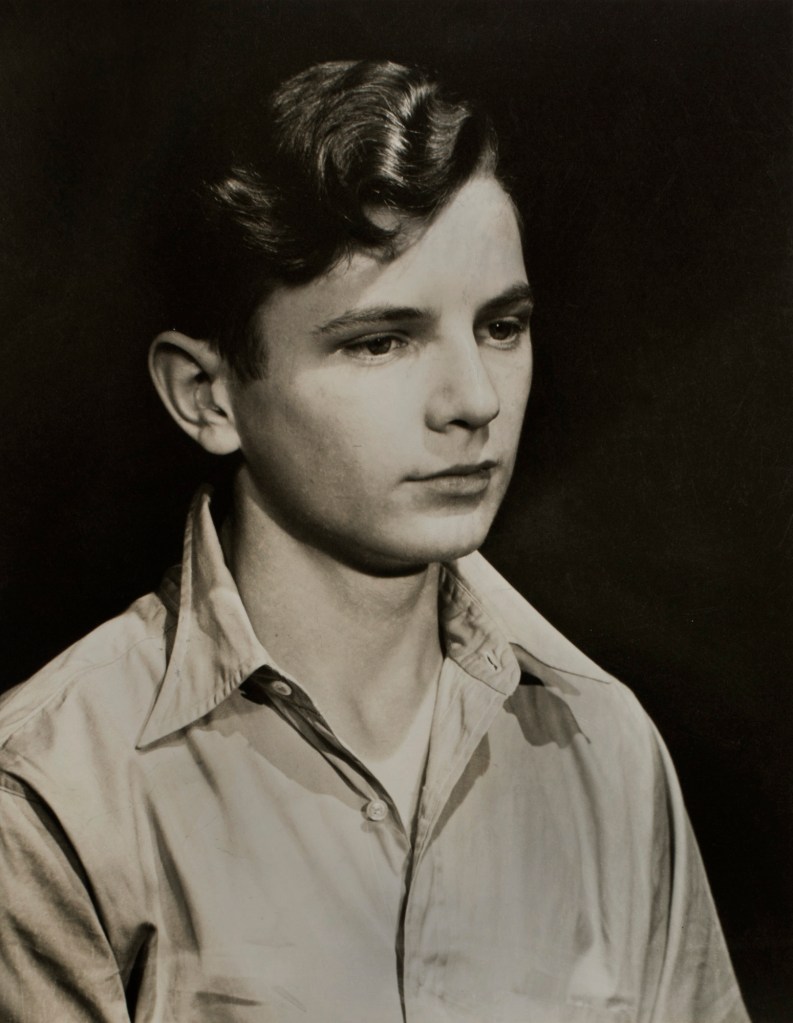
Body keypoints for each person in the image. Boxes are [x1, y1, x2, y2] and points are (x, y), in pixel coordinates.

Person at [0, 60, 748, 1023]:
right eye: (380, 341)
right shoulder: (50, 793)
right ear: (207, 394)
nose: (474, 402)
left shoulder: (603, 747)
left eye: (502, 326)